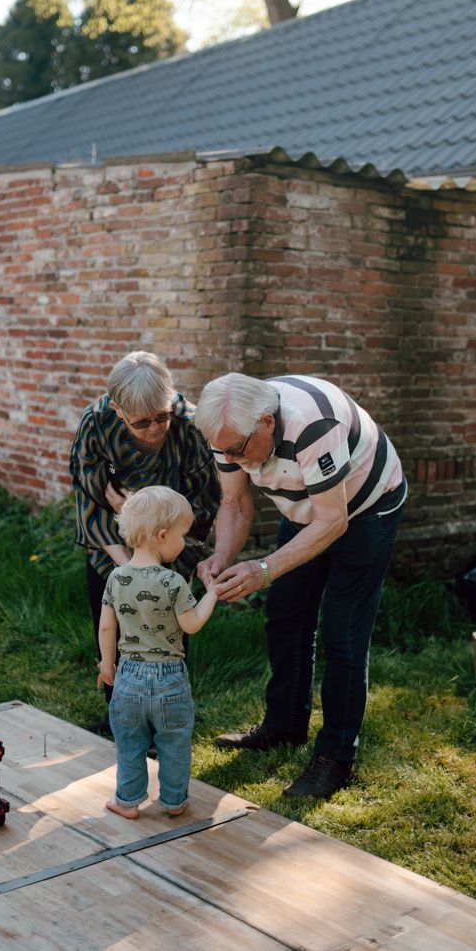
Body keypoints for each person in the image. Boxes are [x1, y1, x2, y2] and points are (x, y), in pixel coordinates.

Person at [195, 372, 406, 800]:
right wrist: (222, 557)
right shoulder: (229, 431)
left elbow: (335, 521)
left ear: (268, 424)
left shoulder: (314, 426)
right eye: (224, 450)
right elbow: (234, 502)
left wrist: (264, 569)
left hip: (367, 510)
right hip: (311, 505)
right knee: (286, 615)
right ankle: (284, 725)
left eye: (238, 450)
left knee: (343, 633)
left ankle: (336, 757)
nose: (233, 458)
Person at [70, 351, 220, 735]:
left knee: (171, 637)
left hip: (175, 549)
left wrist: (165, 559)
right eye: (141, 422)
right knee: (114, 633)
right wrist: (128, 568)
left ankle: (168, 719)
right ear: (119, 411)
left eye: (162, 416)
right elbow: (90, 499)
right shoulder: (96, 424)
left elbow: (205, 500)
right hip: (114, 552)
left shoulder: (190, 424)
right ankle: (122, 718)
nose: (155, 428)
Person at [98, 486, 219, 819]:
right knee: (175, 743)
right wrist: (212, 594)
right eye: (182, 535)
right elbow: (191, 624)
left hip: (128, 677)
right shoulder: (173, 582)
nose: (185, 542)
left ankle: (127, 801)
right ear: (162, 535)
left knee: (129, 744)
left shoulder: (116, 578)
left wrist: (106, 664)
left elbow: (107, 626)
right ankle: (174, 801)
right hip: (169, 679)